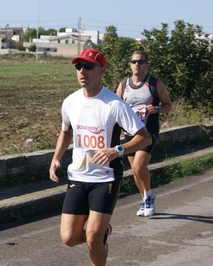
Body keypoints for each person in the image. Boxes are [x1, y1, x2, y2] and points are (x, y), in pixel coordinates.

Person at [49, 48, 151, 266]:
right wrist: (56, 157)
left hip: (105, 179)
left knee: (93, 238)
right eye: (78, 67)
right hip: (78, 176)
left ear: (101, 70)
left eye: (88, 66)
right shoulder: (70, 102)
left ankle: (98, 237)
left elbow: (145, 138)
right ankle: (102, 234)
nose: (81, 71)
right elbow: (66, 131)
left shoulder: (114, 104)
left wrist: (117, 150)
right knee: (68, 238)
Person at [115, 50, 172, 217]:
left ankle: (148, 196)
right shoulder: (124, 84)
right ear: (130, 64)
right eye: (133, 61)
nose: (136, 65)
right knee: (135, 170)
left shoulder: (154, 83)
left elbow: (168, 106)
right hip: (129, 133)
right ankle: (145, 198)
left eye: (140, 62)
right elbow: (115, 107)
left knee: (140, 166)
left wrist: (157, 108)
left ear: (147, 64)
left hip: (148, 132)